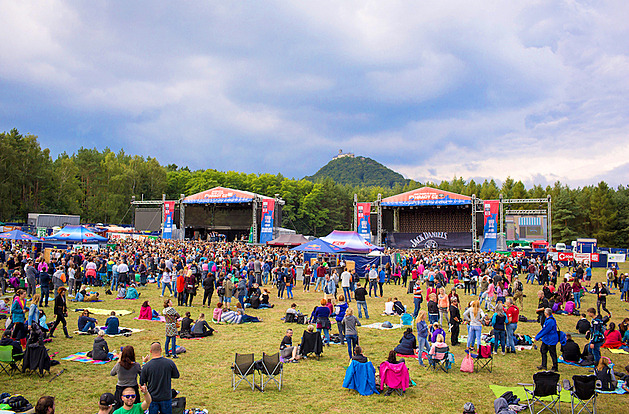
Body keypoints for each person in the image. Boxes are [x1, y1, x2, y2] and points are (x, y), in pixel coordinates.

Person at [140, 342, 180, 414]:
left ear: (150, 351)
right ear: (161, 350)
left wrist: (143, 363)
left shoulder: (147, 366)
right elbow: (176, 375)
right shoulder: (169, 363)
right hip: (166, 397)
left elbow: (142, 382)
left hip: (152, 398)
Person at [111, 345, 142, 409]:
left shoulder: (119, 365)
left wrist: (119, 360)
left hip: (120, 389)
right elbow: (142, 374)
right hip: (133, 388)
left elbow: (112, 373)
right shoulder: (136, 365)